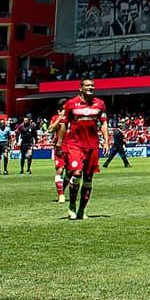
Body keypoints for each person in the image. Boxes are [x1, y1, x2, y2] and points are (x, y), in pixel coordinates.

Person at [55, 79, 112, 220]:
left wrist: (106, 141)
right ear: (81, 88)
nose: (90, 87)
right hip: (75, 144)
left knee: (88, 178)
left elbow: (103, 124)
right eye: (87, 85)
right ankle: (72, 206)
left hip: (92, 146)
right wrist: (59, 143)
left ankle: (82, 209)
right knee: (77, 172)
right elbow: (63, 125)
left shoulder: (100, 104)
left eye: (92, 85)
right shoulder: (71, 104)